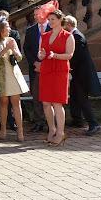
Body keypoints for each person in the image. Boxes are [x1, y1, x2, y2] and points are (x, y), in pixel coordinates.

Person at [38, 9, 75, 147]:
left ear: (60, 20)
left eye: (53, 19)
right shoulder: (44, 36)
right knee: (46, 103)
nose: (50, 22)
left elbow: (69, 55)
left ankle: (60, 132)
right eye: (49, 19)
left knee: (57, 103)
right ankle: (52, 129)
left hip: (59, 71)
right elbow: (40, 53)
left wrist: (55, 56)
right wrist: (41, 56)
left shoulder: (68, 36)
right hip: (46, 69)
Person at [64, 15, 101, 135]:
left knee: (82, 98)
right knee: (74, 97)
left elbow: (77, 56)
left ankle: (94, 123)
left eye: (64, 25)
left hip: (82, 75)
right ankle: (77, 120)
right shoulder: (76, 35)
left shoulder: (77, 36)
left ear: (68, 25)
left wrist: (69, 66)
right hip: (78, 74)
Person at [0, 20, 28, 141]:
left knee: (16, 102)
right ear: (1, 29)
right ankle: (3, 129)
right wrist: (6, 49)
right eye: (7, 27)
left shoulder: (11, 40)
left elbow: (19, 57)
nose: (10, 29)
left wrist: (14, 50)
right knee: (3, 103)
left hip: (13, 74)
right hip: (1, 75)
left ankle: (20, 131)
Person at [23, 4, 52, 133]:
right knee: (37, 96)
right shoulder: (31, 31)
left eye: (38, 14)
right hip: (36, 69)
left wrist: (45, 63)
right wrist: (35, 63)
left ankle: (52, 122)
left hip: (50, 68)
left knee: (50, 96)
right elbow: (27, 49)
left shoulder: (52, 28)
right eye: (34, 14)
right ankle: (39, 122)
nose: (35, 16)